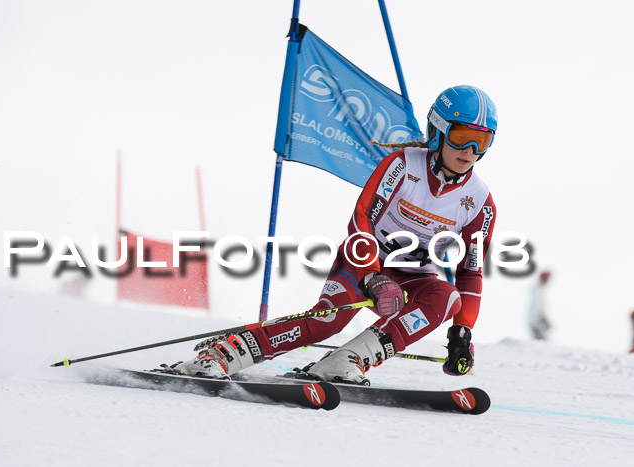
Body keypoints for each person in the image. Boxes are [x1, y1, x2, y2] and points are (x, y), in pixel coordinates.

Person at [178, 85, 498, 383]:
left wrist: (462, 333)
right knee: (326, 322)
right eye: (461, 136)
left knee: (447, 298)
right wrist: (372, 276)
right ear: (438, 132)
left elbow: (470, 273)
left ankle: (345, 361)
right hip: (362, 265)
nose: (470, 150)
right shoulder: (402, 165)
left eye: (481, 142)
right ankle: (223, 353)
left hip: (411, 279)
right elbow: (361, 223)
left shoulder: (479, 202)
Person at [528, 270, 552, 340]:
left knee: (542, 342)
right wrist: (543, 319)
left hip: (536, 322)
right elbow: (537, 308)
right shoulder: (538, 291)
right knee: (543, 342)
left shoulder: (540, 290)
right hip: (536, 322)